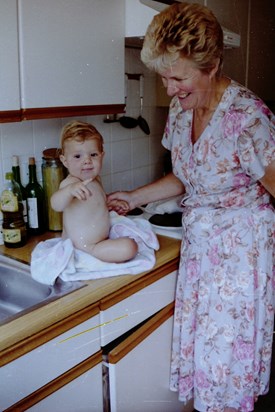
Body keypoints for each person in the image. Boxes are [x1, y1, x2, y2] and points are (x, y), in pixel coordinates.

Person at [107, 2, 275, 411]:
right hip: (201, 252)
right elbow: (186, 175)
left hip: (240, 257)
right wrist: (134, 197)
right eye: (164, 77)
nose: (169, 89)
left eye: (178, 77)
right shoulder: (181, 114)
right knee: (206, 360)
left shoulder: (248, 117)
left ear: (212, 65)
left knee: (227, 366)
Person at [51, 120, 138, 263]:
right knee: (129, 247)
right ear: (65, 161)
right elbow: (56, 204)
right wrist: (69, 191)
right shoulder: (71, 183)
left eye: (93, 155)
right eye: (77, 156)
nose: (87, 161)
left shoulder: (95, 179)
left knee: (131, 242)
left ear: (102, 156)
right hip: (85, 247)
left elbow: (94, 207)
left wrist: (110, 205)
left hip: (99, 242)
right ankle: (87, 256)